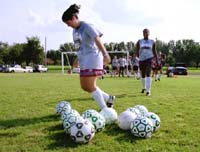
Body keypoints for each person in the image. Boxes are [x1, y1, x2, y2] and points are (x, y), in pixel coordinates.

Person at [62, 4, 115, 109]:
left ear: (74, 18)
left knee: (90, 85)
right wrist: (77, 59)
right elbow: (80, 47)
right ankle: (109, 98)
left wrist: (105, 54)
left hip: (92, 57)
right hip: (83, 59)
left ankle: (104, 109)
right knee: (85, 86)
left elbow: (97, 39)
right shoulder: (74, 31)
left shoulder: (87, 26)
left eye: (68, 23)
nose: (68, 26)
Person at [136, 28, 158, 96]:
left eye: (146, 32)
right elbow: (137, 50)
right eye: (144, 32)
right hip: (141, 59)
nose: (145, 33)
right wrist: (138, 55)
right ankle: (143, 88)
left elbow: (154, 51)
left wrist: (156, 59)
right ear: (142, 33)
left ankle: (148, 91)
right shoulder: (139, 41)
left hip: (149, 59)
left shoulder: (152, 41)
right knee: (143, 74)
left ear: (149, 33)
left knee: (148, 73)